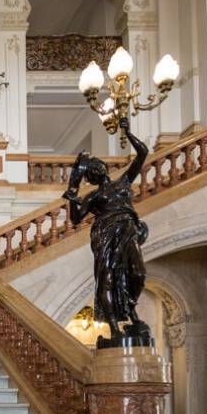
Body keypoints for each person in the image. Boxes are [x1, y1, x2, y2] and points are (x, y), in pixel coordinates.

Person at [62, 118, 152, 346]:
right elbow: (75, 219)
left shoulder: (124, 182)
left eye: (97, 163)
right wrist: (72, 195)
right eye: (92, 168)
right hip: (105, 234)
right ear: (91, 176)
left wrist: (127, 132)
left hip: (127, 229)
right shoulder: (92, 197)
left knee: (138, 273)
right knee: (108, 280)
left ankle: (130, 310)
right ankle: (114, 326)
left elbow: (142, 152)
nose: (97, 167)